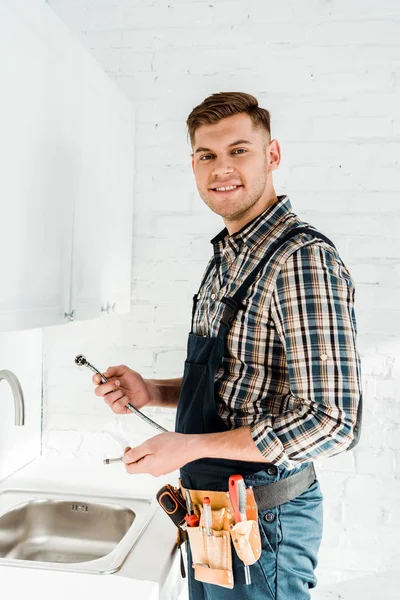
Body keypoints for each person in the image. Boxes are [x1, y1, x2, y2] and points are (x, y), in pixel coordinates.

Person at [92, 92, 362, 600]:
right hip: (210, 512)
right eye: (207, 155)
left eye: (239, 150)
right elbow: (239, 380)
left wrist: (185, 447)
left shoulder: (301, 261)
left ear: (272, 155)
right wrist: (152, 390)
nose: (222, 169)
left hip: (262, 521)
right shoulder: (228, 256)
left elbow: (332, 423)